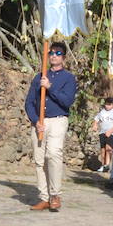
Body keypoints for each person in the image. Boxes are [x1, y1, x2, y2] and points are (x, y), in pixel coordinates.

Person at [24, 41, 77, 211]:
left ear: (64, 57)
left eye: (58, 53)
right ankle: (44, 197)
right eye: (51, 53)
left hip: (57, 120)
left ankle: (55, 194)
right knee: (40, 160)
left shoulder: (68, 78)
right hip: (40, 122)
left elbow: (67, 101)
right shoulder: (39, 77)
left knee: (53, 154)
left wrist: (50, 87)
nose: (54, 56)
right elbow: (29, 102)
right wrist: (35, 120)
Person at [93, 98, 113, 173]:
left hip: (111, 133)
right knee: (103, 150)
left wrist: (110, 131)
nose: (107, 106)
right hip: (102, 133)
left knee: (109, 149)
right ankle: (103, 165)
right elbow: (96, 119)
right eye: (106, 104)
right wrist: (95, 125)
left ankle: (107, 165)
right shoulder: (102, 112)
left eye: (109, 105)